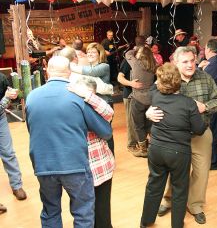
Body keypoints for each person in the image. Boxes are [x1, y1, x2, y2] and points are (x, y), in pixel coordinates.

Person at [25, 56, 112, 227]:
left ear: (47, 71)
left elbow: (31, 129)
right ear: (70, 72)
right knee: (83, 214)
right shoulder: (77, 96)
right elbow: (105, 131)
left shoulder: (31, 97)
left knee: (50, 212)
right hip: (75, 165)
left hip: (43, 166)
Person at [147, 46, 217, 224]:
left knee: (201, 171)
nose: (190, 65)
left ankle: (195, 205)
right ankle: (168, 200)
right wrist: (149, 112)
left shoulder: (205, 77)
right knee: (173, 171)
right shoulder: (168, 78)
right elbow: (151, 95)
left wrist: (206, 107)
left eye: (192, 60)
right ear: (176, 63)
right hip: (174, 137)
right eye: (185, 62)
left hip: (201, 133)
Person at [140, 63, 206, 228]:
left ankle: (146, 222)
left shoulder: (154, 95)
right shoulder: (188, 103)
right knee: (179, 189)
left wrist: (162, 78)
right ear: (179, 81)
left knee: (154, 185)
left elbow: (155, 86)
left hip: (155, 149)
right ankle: (177, 225)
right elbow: (199, 129)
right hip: (178, 152)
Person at [68, 77, 115, 228]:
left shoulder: (99, 109)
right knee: (83, 213)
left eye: (91, 95)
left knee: (102, 213)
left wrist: (88, 96)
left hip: (101, 168)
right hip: (80, 170)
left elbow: (109, 112)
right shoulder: (71, 108)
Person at [198, 39, 217, 170]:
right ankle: (212, 160)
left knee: (212, 131)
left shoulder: (214, 64)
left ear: (209, 50)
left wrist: (200, 68)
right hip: (216, 101)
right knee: (212, 131)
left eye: (205, 48)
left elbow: (202, 83)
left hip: (213, 103)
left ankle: (213, 162)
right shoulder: (216, 62)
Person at [0, 79, 27, 214]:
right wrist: (5, 99)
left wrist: (13, 95)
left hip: (0, 119)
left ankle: (17, 186)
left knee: (8, 152)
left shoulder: (1, 77)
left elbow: (10, 96)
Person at [126, 46, 157, 157]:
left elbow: (128, 54)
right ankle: (153, 147)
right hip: (150, 99)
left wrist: (135, 49)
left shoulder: (136, 63)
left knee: (138, 125)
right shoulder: (153, 65)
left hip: (138, 99)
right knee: (149, 124)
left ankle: (143, 150)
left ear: (141, 54)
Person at [118, 36, 146, 152]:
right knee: (132, 121)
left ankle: (142, 143)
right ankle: (131, 145)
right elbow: (120, 77)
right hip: (130, 96)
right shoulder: (128, 60)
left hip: (143, 96)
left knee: (141, 121)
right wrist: (131, 84)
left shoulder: (146, 59)